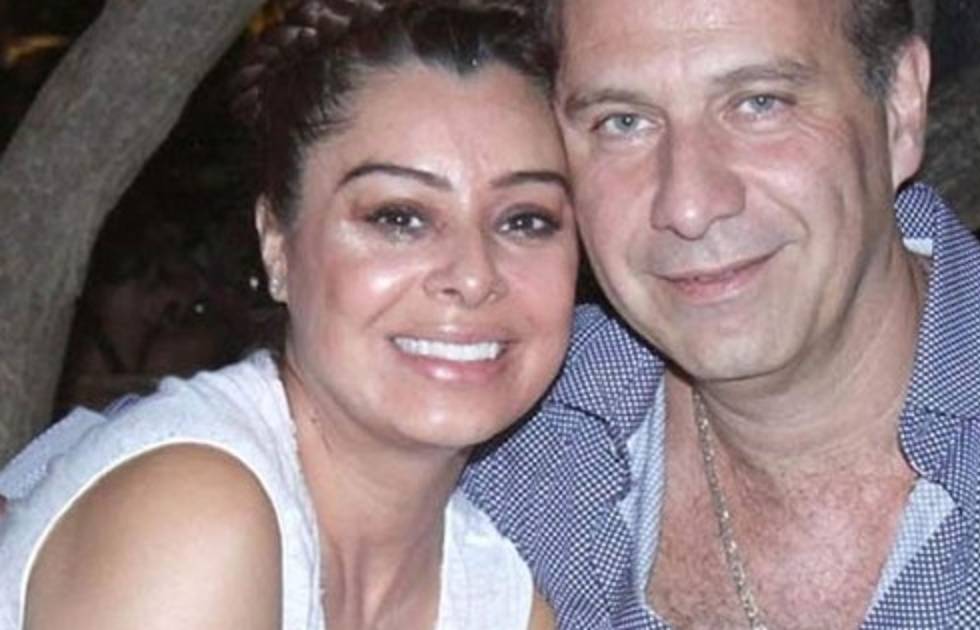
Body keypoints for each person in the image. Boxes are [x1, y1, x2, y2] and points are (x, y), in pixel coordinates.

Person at [458, 0, 980, 627]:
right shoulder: (496, 444)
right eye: (623, 122)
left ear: (900, 108)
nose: (687, 203)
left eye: (760, 103)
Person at [0, 2, 573, 628]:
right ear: (276, 245)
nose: (474, 275)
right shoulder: (193, 518)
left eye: (526, 220)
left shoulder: (503, 601)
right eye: (399, 217)